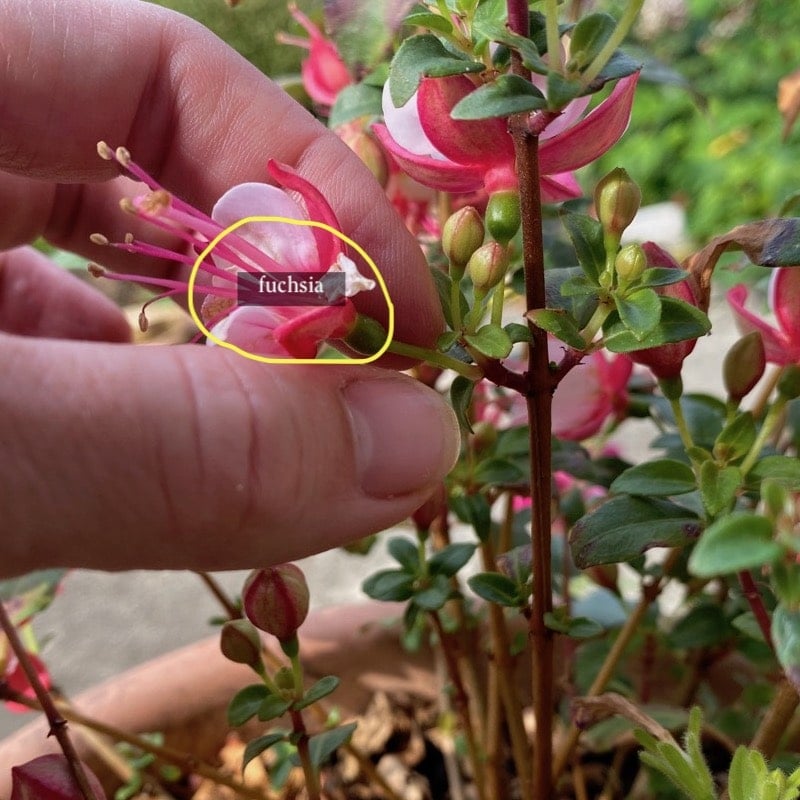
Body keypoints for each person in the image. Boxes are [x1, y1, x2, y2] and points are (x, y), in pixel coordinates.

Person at [0, 0, 459, 578]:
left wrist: (343, 285)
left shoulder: (319, 281)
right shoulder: (311, 280)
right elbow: (314, 285)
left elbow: (322, 284)